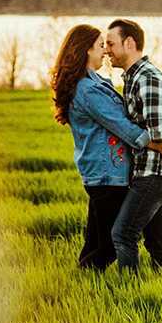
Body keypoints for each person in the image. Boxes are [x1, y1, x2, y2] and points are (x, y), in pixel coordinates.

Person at [51, 24, 153, 270]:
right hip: (107, 177)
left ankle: (81, 289)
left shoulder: (93, 82)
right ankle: (79, 281)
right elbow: (123, 128)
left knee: (94, 242)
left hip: (100, 175)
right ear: (86, 50)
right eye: (100, 46)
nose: (106, 52)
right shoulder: (88, 90)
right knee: (111, 245)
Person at [105, 18, 162, 271]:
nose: (107, 49)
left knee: (123, 234)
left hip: (155, 172)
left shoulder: (148, 78)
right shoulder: (133, 77)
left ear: (129, 43)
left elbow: (157, 130)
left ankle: (130, 295)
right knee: (157, 243)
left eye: (111, 43)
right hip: (152, 170)